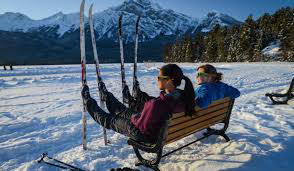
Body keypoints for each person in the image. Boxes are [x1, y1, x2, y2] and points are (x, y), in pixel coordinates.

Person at [81, 64, 196, 143]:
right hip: (157, 129)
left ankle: (89, 102)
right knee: (125, 111)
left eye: (159, 77)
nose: (157, 79)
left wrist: (135, 117)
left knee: (110, 120)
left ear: (169, 80)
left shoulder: (159, 104)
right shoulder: (183, 96)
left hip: (144, 134)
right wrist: (137, 116)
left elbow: (142, 126)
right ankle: (107, 97)